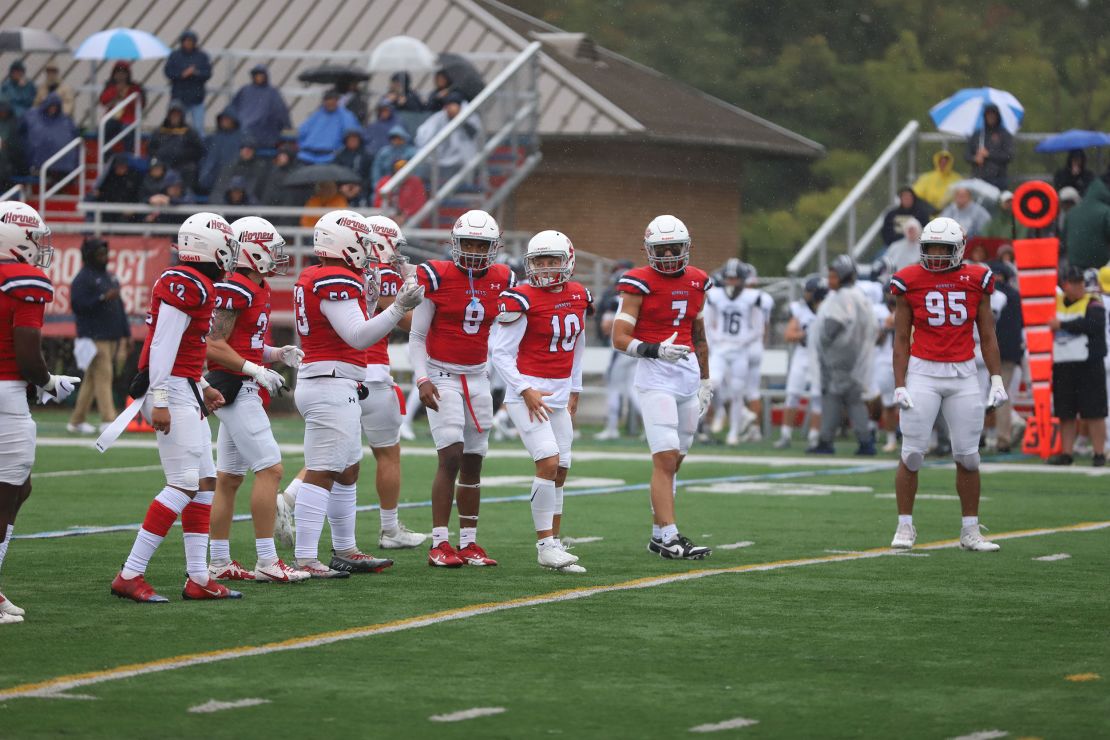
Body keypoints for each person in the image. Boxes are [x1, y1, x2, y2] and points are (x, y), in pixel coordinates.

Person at [109, 213, 240, 602]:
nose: (230, 255)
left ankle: (198, 577)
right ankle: (130, 573)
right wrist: (160, 398)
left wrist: (201, 384)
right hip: (169, 390)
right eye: (226, 245)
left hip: (184, 387)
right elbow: (162, 347)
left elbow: (181, 350)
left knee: (204, 484)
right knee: (182, 483)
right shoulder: (185, 282)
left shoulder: (198, 283)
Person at [290, 210, 422, 577]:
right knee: (322, 471)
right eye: (361, 240)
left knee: (347, 470)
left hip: (336, 380)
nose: (367, 248)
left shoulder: (317, 273)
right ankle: (305, 558)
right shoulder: (334, 277)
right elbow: (359, 335)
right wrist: (398, 308)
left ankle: (346, 549)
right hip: (329, 381)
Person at [888, 216, 1007, 551]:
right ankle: (905, 526)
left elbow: (987, 333)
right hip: (924, 372)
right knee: (912, 454)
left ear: (960, 248)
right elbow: (901, 339)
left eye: (944, 248)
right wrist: (900, 383)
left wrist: (996, 377)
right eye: (932, 248)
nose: (937, 254)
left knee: (968, 457)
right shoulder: (909, 279)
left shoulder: (977, 278)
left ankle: (970, 531)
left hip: (964, 373)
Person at [203, 217, 308, 583]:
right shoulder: (236, 288)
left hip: (242, 381)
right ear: (253, 250)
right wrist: (254, 369)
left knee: (229, 479)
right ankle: (266, 559)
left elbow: (241, 344)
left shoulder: (254, 286)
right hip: (234, 387)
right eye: (272, 249)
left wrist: (276, 354)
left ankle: (218, 561)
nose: (278, 257)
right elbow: (213, 345)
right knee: (271, 469)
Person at [410, 210, 515, 567]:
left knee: (473, 461)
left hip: (478, 376)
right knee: (450, 455)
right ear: (455, 243)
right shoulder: (436, 276)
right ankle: (439, 543)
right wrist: (421, 378)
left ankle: (469, 542)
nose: (472, 250)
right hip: (442, 373)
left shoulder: (504, 277)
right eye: (467, 242)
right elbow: (417, 335)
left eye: (480, 244)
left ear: (493, 247)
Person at [611, 214, 713, 560]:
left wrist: (705, 378)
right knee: (665, 457)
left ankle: (658, 534)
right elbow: (619, 338)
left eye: (674, 249)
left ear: (686, 248)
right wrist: (655, 349)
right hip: (655, 375)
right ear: (648, 250)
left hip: (686, 375)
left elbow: (699, 335)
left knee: (677, 459)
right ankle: (670, 537)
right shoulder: (638, 282)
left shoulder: (698, 281)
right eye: (662, 249)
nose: (669, 255)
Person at [491, 230, 590, 572]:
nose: (546, 268)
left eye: (553, 261)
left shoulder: (579, 294)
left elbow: (577, 344)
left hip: (559, 394)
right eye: (539, 261)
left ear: (568, 261)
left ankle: (555, 548)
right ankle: (545, 544)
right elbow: (500, 353)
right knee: (547, 462)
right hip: (528, 395)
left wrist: (575, 389)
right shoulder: (521, 298)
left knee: (561, 470)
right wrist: (523, 389)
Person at [0, 202, 79, 623]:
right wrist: (49, 383)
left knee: (20, 488)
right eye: (35, 238)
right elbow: (27, 354)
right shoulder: (23, 280)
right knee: (6, 492)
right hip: (5, 394)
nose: (40, 247)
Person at [807, 255, 877, 455]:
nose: (829, 280)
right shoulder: (860, 295)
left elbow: (832, 326)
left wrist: (824, 344)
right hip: (855, 356)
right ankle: (865, 440)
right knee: (853, 399)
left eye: (833, 276)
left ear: (844, 277)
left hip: (839, 357)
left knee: (832, 397)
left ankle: (826, 440)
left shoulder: (842, 297)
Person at [67, 237, 130, 434]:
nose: (104, 257)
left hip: (111, 335)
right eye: (100, 254)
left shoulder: (109, 277)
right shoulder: (82, 278)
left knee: (92, 379)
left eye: (105, 253)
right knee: (104, 375)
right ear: (90, 255)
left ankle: (76, 421)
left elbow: (119, 308)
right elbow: (78, 306)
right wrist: (102, 298)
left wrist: (126, 335)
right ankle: (108, 419)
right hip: (93, 336)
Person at [1047, 266, 1107, 466]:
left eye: (1081, 282)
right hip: (1063, 364)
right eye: (1075, 283)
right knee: (1065, 412)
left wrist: (1063, 326)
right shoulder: (1055, 303)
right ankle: (1067, 453)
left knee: (1095, 411)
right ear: (1065, 285)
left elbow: (1094, 325)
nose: (1079, 286)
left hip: (1089, 364)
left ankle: (1099, 453)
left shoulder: (1093, 303)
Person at [705, 259, 755, 445]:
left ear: (742, 279)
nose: (731, 282)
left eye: (735, 278)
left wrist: (742, 342)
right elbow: (707, 323)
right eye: (729, 278)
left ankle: (733, 432)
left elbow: (758, 328)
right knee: (710, 384)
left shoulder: (751, 297)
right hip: (720, 348)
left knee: (736, 391)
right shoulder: (715, 296)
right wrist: (715, 340)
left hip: (740, 350)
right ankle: (704, 423)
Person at [776, 276, 827, 449]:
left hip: (820, 358)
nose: (806, 294)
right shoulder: (799, 309)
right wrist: (806, 334)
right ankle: (785, 435)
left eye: (809, 291)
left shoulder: (828, 309)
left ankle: (814, 437)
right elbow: (789, 335)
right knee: (792, 395)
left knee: (817, 397)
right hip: (802, 355)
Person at [593, 260, 638, 440]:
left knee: (613, 387)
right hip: (636, 348)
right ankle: (653, 425)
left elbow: (606, 326)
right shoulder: (639, 298)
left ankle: (612, 427)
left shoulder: (614, 300)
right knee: (634, 390)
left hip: (621, 349)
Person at [990, 261, 1025, 453]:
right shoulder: (1014, 295)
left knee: (993, 394)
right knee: (1000, 393)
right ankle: (1006, 430)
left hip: (991, 350)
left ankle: (1002, 436)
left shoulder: (994, 294)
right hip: (1009, 351)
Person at [414, 93, 480, 185]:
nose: (450, 108)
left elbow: (475, 134)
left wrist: (461, 121)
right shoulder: (440, 117)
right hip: (442, 159)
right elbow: (423, 134)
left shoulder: (469, 116)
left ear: (459, 106)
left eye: (453, 105)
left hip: (462, 161)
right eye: (448, 105)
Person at [230, 65, 291, 150]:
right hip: (242, 131)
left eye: (261, 75)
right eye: (257, 75)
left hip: (264, 131)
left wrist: (287, 126)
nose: (259, 78)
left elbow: (280, 112)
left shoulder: (272, 92)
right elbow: (232, 109)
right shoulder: (245, 90)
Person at [149, 100, 204, 191]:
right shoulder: (160, 131)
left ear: (181, 116)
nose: (175, 117)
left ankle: (186, 194)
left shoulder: (189, 132)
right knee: (155, 169)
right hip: (164, 164)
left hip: (182, 165)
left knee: (191, 169)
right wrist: (161, 155)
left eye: (177, 115)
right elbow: (151, 148)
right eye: (172, 114)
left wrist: (182, 155)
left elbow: (198, 150)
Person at [163, 31, 211, 134]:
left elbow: (208, 73)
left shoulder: (202, 56)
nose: (188, 43)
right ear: (182, 42)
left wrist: (195, 73)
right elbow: (168, 72)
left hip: (196, 98)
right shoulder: (175, 55)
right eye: (186, 41)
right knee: (173, 126)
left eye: (191, 41)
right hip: (178, 97)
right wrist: (182, 74)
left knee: (198, 128)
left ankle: (199, 150)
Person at [297, 90, 360, 165]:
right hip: (307, 155)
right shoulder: (316, 115)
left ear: (337, 102)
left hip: (331, 157)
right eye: (327, 103)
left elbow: (351, 134)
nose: (330, 105)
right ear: (324, 102)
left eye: (332, 103)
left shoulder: (346, 116)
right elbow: (301, 132)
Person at [22, 93, 78, 175]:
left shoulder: (66, 121)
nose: (53, 109)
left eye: (55, 107)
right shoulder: (33, 117)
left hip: (61, 167)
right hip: (41, 166)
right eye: (51, 106)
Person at [1063, 176, 1110, 270]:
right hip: (1101, 267)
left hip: (1075, 269)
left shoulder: (1071, 213)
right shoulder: (1106, 211)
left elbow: (1064, 239)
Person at [965, 104, 1013, 189]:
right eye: (988, 114)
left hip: (998, 179)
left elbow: (1008, 156)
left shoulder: (1004, 135)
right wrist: (975, 159)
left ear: (997, 116)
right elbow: (967, 155)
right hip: (978, 178)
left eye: (993, 114)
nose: (991, 117)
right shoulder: (978, 135)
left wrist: (989, 154)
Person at [211, 136, 270, 205]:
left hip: (251, 208)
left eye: (250, 148)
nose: (247, 151)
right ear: (240, 150)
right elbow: (219, 190)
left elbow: (263, 192)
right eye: (244, 148)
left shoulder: (261, 169)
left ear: (254, 151)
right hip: (229, 208)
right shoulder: (230, 167)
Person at [197, 108, 242, 195]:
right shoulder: (211, 138)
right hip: (212, 180)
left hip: (232, 177)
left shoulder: (241, 138)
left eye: (227, 119)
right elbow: (205, 159)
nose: (224, 122)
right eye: (223, 119)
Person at [98, 62, 145, 145]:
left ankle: (127, 155)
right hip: (113, 118)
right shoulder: (110, 87)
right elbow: (103, 101)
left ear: (128, 75)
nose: (120, 76)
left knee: (127, 130)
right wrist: (116, 92)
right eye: (118, 73)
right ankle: (107, 156)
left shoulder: (135, 87)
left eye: (123, 73)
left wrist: (126, 95)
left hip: (128, 118)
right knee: (104, 128)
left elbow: (141, 104)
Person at [94, 154, 143, 221]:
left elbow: (137, 195)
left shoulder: (133, 178)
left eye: (123, 166)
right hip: (111, 210)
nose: (121, 169)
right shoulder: (109, 178)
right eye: (119, 166)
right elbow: (104, 195)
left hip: (129, 210)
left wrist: (132, 207)